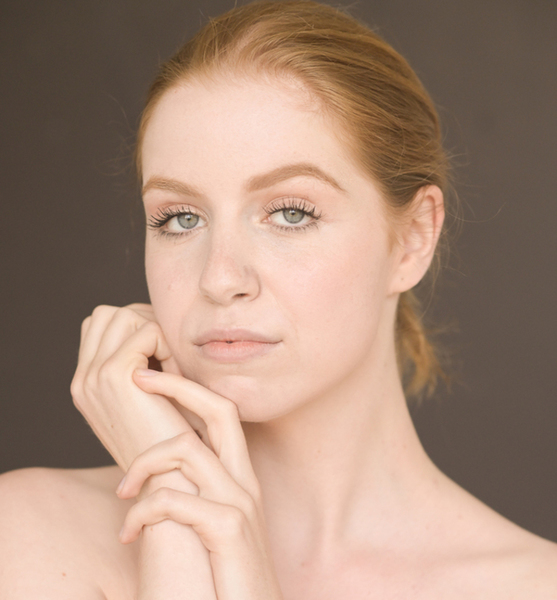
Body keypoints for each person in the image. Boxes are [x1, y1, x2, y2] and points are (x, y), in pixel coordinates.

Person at [1, 1, 556, 598]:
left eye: (291, 213)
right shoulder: (24, 536)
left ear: (412, 239)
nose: (220, 278)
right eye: (180, 218)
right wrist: (176, 526)